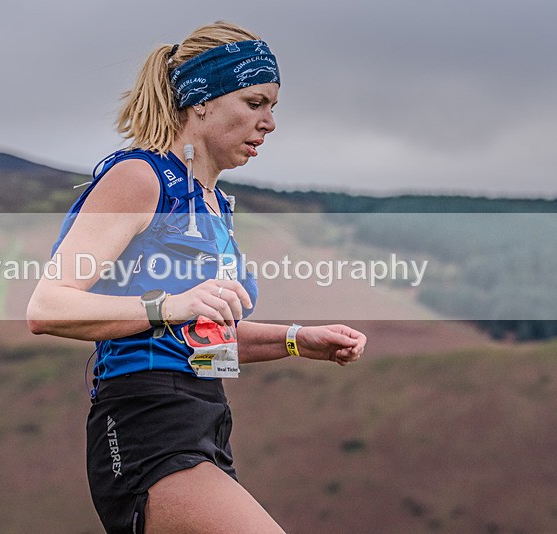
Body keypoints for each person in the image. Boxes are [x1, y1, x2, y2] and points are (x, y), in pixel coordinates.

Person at [27, 21, 367, 534]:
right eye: (254, 103)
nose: (269, 122)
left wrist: (295, 340)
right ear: (202, 100)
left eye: (273, 107)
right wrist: (171, 304)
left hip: (207, 420)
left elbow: (197, 336)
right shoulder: (139, 178)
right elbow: (47, 307)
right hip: (145, 423)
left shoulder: (213, 206)